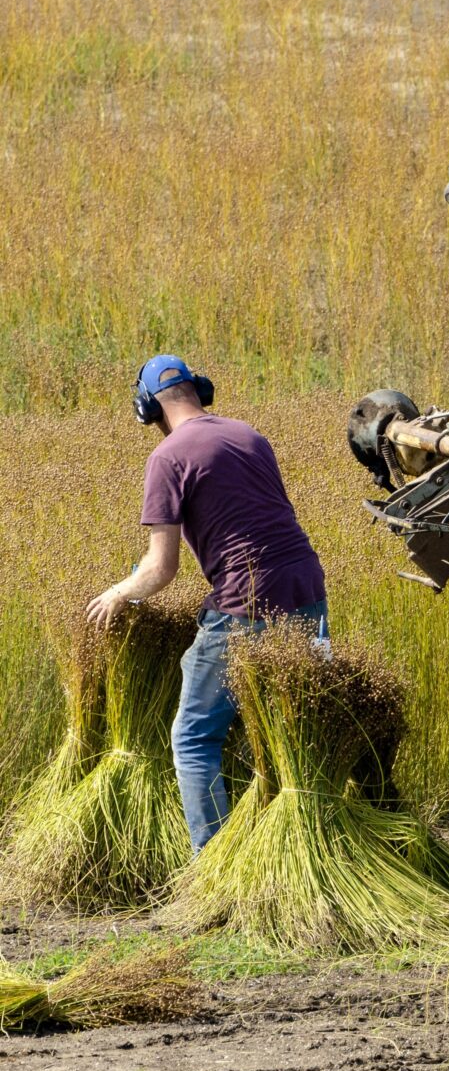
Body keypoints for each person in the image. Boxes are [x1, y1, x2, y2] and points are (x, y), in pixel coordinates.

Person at [85, 356, 328, 850]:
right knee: (284, 726)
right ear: (200, 391)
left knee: (194, 739)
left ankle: (212, 865)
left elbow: (161, 568)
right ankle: (291, 845)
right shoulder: (249, 435)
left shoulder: (168, 458)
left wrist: (117, 593)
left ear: (146, 408)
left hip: (248, 602)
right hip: (308, 587)